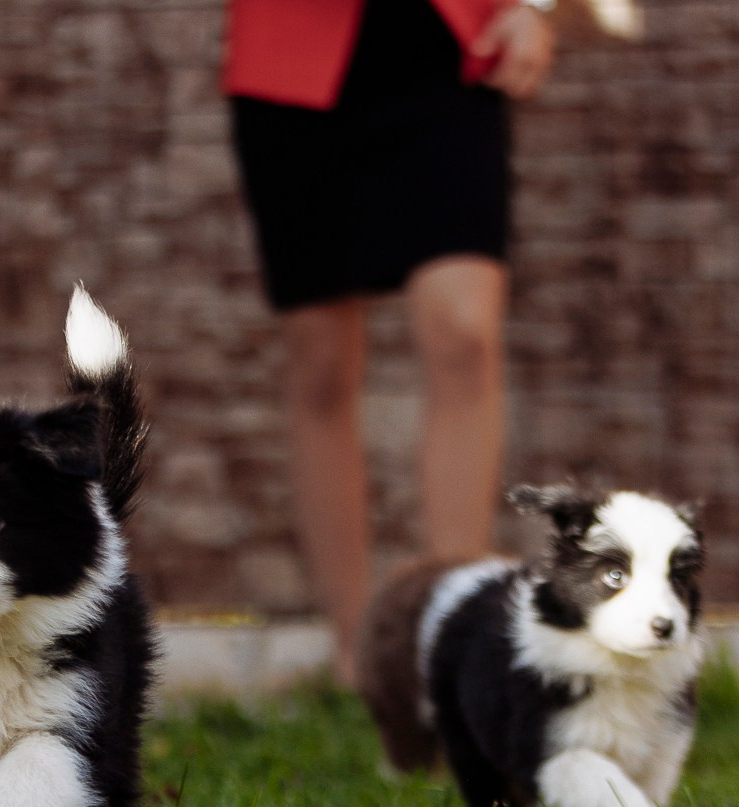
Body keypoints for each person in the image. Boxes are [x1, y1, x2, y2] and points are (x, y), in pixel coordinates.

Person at [225, 0, 557, 681]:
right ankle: (357, 655)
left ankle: (454, 639)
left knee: (465, 332)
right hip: (289, 61)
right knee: (320, 361)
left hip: (447, 49)